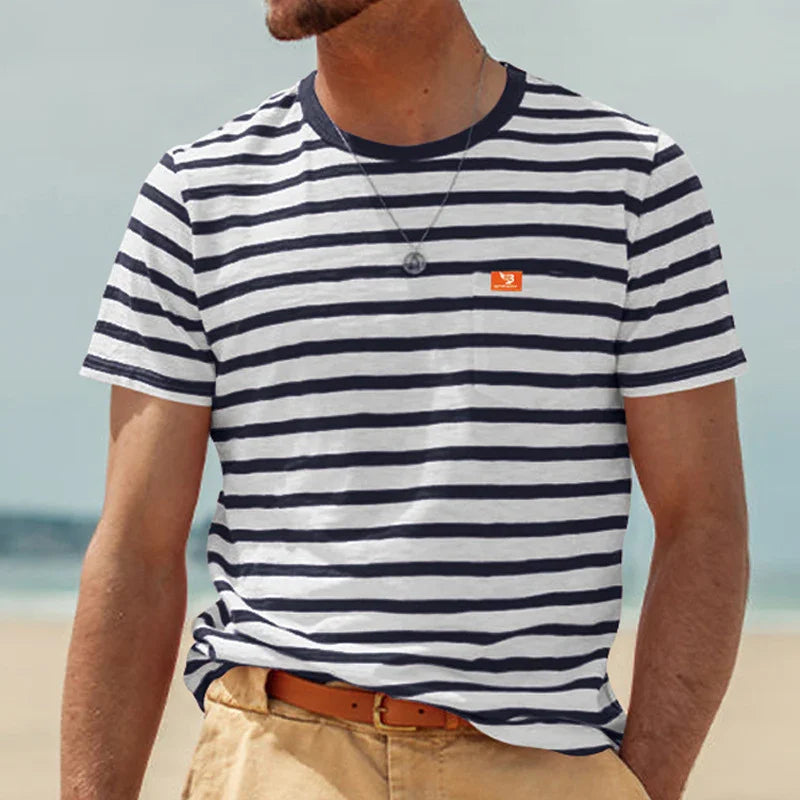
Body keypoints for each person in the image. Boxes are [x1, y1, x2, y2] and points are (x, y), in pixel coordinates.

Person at [61, 1, 750, 799]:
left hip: (541, 765)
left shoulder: (632, 185)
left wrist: (645, 786)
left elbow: (703, 519)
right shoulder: (197, 194)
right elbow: (138, 548)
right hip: (277, 760)